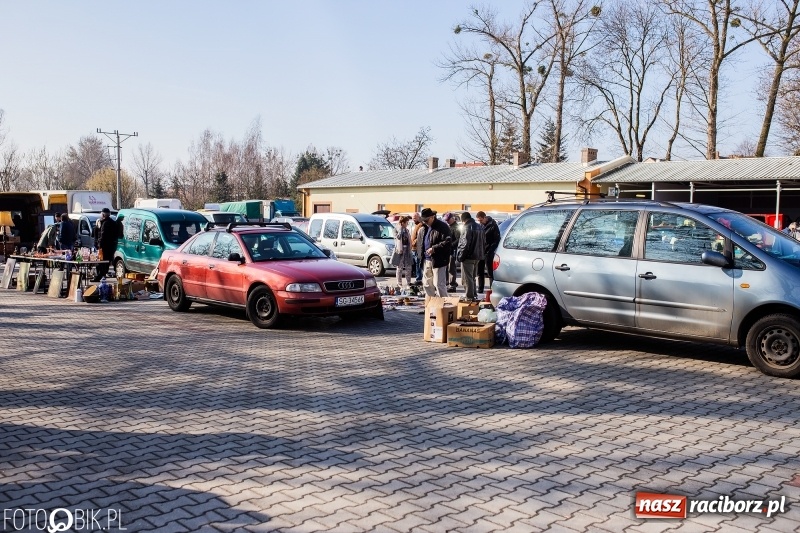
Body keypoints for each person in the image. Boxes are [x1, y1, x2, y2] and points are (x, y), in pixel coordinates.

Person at [420, 207, 452, 299]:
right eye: (424, 220)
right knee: (427, 284)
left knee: (439, 284)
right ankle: (430, 306)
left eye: (426, 220)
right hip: (427, 259)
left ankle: (445, 305)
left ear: (432, 217)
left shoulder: (443, 226)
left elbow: (447, 242)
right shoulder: (425, 227)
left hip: (439, 260)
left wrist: (434, 248)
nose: (425, 222)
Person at [457, 211, 484, 301]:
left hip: (468, 256)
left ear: (464, 220)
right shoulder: (479, 227)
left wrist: (460, 256)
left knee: (467, 278)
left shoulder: (467, 227)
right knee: (472, 277)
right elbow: (483, 242)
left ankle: (469, 296)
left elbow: (465, 243)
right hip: (477, 256)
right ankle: (474, 294)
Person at [476, 211, 500, 293]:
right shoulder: (480, 226)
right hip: (481, 251)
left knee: (490, 272)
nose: (480, 222)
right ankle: (480, 288)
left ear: (485, 217)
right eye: (479, 221)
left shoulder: (493, 225)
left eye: (481, 220)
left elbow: (497, 239)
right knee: (480, 271)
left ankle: (491, 289)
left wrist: (490, 250)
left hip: (488, 252)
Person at [94, 208, 118, 280]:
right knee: (106, 263)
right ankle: (102, 276)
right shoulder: (112, 223)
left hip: (104, 247)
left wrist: (99, 246)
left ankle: (99, 277)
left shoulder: (105, 223)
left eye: (101, 214)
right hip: (111, 246)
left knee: (100, 262)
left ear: (103, 214)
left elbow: (103, 236)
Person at [390, 216, 413, 289]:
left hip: (407, 251)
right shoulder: (396, 230)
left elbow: (409, 240)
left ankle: (408, 283)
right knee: (399, 268)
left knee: (408, 267)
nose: (407, 224)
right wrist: (400, 230)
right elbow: (398, 238)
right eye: (406, 223)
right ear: (402, 223)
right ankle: (399, 283)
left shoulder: (407, 230)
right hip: (400, 251)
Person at [444, 212, 461, 291]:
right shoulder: (448, 226)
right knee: (447, 268)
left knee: (451, 268)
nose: (447, 221)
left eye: (448, 220)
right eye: (446, 220)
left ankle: (452, 284)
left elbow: (458, 239)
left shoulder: (456, 227)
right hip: (448, 250)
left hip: (452, 250)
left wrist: (450, 245)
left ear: (452, 218)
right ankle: (448, 283)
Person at [411, 211, 425, 285]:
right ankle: (418, 277)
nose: (413, 219)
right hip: (413, 248)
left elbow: (419, 237)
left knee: (418, 264)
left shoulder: (420, 225)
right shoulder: (416, 225)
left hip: (417, 248)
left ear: (418, 217)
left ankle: (419, 278)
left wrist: (413, 242)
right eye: (413, 218)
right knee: (416, 264)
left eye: (415, 218)